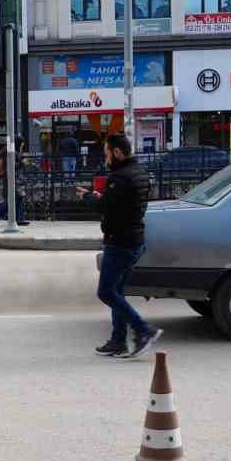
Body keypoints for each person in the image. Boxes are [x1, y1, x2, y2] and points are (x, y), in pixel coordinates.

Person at [92, 133, 160, 359]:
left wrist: (92, 199)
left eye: (107, 153)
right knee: (117, 291)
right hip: (135, 239)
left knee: (106, 292)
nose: (106, 158)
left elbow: (105, 207)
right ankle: (118, 340)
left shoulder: (119, 177)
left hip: (119, 242)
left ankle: (143, 330)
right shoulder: (140, 173)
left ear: (117, 152)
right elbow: (123, 204)